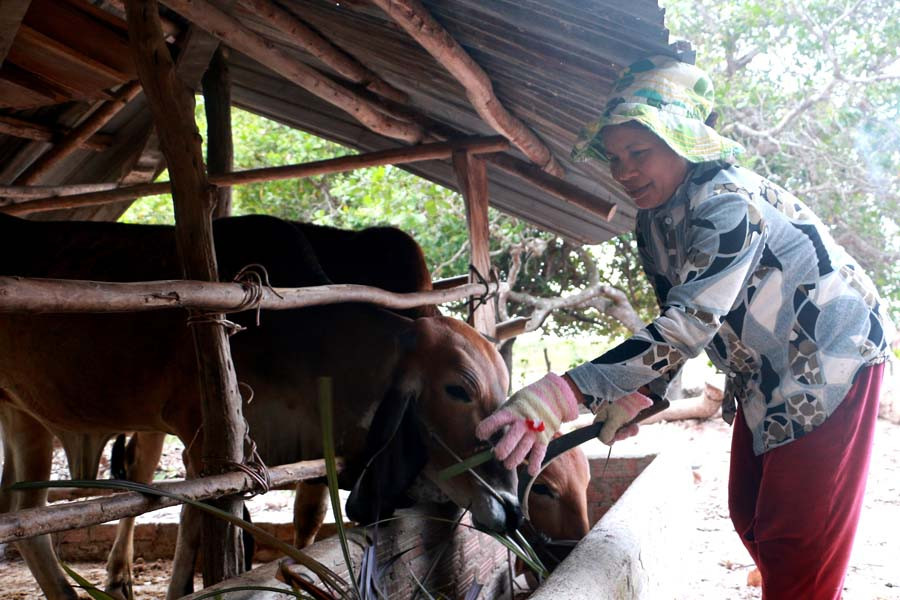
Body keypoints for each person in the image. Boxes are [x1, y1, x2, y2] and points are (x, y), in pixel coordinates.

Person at [476, 55, 895, 599]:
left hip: (833, 355)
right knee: (749, 516)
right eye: (615, 157)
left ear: (683, 142)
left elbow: (687, 326)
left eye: (640, 152)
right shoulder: (653, 220)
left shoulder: (726, 203)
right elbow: (678, 318)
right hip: (764, 370)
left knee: (796, 537)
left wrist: (564, 392)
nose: (625, 171)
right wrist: (641, 395)